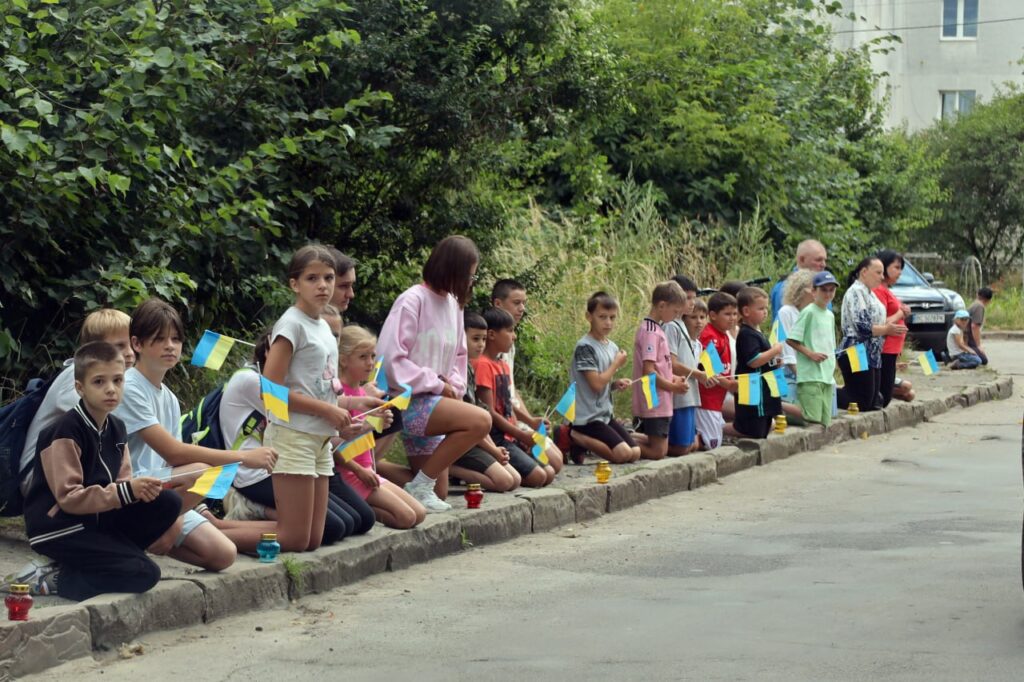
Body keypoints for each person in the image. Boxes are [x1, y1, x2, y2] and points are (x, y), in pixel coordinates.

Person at [115, 299, 277, 570]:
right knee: (204, 471)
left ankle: (152, 533)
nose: (170, 346)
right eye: (159, 339)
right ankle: (132, 537)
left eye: (176, 339)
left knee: (223, 554)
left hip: (162, 492)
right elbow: (174, 453)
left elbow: (173, 462)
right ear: (137, 344)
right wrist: (243, 457)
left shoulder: (168, 397)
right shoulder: (129, 386)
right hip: (132, 488)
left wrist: (180, 513)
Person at [20, 342, 182, 600]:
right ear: (79, 388)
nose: (110, 389)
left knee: (169, 501)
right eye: (99, 382)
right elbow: (69, 498)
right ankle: (57, 579)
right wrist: (126, 491)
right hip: (60, 528)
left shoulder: (117, 428)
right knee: (145, 573)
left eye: (117, 380)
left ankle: (110, 560)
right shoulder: (64, 431)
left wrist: (140, 490)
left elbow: (122, 484)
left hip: (95, 520)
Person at [261, 245, 385, 551]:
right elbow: (270, 389)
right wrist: (326, 411)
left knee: (313, 540)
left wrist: (355, 407)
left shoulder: (324, 329)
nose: (322, 285)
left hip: (320, 440)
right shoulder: (291, 324)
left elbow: (320, 389)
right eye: (312, 278)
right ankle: (212, 533)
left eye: (328, 278)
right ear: (294, 284)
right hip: (293, 435)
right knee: (293, 538)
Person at [219, 329, 380, 543]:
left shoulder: (291, 383)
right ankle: (243, 512)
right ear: (270, 351)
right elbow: (299, 410)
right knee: (329, 528)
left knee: (356, 521)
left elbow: (314, 410)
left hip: (296, 461)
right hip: (256, 473)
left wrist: (358, 409)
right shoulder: (250, 380)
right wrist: (350, 411)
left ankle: (271, 521)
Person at [376, 236, 492, 512]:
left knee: (439, 492)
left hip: (436, 402)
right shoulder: (412, 300)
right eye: (469, 276)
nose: (471, 282)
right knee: (480, 421)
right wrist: (436, 384)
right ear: (452, 270)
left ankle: (373, 469)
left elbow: (459, 356)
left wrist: (454, 385)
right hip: (407, 402)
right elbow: (390, 359)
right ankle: (414, 484)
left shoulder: (453, 305)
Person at [20, 309, 137, 497]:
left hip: (73, 468)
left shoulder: (111, 379)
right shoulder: (76, 378)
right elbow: (94, 435)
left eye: (131, 343)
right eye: (119, 346)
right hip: (39, 476)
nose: (129, 353)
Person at [335, 325, 426, 529]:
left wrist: (379, 422)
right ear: (343, 360)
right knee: (406, 518)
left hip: (367, 470)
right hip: (350, 473)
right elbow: (331, 446)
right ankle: (358, 508)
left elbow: (363, 435)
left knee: (419, 514)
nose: (370, 363)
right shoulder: (339, 394)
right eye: (363, 357)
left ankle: (361, 507)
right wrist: (359, 470)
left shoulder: (362, 392)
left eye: (372, 356)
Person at [472, 307, 555, 486]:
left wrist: (530, 422)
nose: (514, 336)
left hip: (510, 435)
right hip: (496, 437)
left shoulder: (502, 364)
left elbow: (507, 403)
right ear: (492, 335)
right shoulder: (483, 365)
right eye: (510, 331)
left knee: (549, 473)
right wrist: (521, 435)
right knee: (539, 477)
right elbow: (490, 412)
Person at [491, 279, 563, 471]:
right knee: (553, 463)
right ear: (498, 303)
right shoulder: (493, 344)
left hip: (516, 417)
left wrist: (530, 420)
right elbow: (498, 400)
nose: (522, 308)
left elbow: (512, 390)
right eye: (516, 303)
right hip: (504, 422)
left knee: (557, 460)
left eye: (524, 303)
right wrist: (522, 427)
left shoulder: (510, 342)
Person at [450, 312, 521, 492]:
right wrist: (492, 450)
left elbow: (481, 415)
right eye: (475, 339)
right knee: (505, 482)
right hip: (460, 441)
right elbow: (469, 420)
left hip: (477, 439)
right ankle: (448, 467)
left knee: (515, 480)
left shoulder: (469, 368)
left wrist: (493, 448)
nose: (481, 344)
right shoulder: (455, 372)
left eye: (483, 339)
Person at [567, 292, 640, 464]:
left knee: (635, 452)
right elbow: (596, 385)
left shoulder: (611, 346)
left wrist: (615, 384)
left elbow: (604, 382)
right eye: (602, 317)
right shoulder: (585, 347)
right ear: (589, 317)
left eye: (612, 317)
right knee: (623, 454)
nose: (608, 322)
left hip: (605, 415)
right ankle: (573, 435)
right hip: (587, 417)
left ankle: (580, 443)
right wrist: (616, 364)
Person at [838, 257, 905, 413]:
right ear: (864, 272)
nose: (882, 277)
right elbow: (862, 327)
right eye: (878, 273)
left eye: (882, 273)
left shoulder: (871, 294)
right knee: (862, 400)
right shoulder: (856, 292)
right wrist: (887, 330)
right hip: (855, 351)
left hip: (872, 352)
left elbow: (880, 322)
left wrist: (889, 329)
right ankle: (825, 394)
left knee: (877, 400)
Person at [632, 281, 688, 460]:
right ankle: (617, 441)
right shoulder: (650, 332)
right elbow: (649, 372)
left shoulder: (658, 329)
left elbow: (661, 366)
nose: (677, 316)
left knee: (660, 445)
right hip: (654, 399)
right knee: (658, 452)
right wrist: (673, 387)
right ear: (662, 305)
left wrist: (674, 378)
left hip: (663, 399)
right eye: (675, 311)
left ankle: (622, 437)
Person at [786, 272, 839, 426]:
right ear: (813, 291)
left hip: (826, 374)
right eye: (824, 290)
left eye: (831, 290)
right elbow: (791, 340)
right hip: (810, 374)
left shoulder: (830, 315)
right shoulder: (808, 311)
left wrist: (834, 362)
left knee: (825, 420)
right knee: (811, 416)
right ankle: (778, 407)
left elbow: (830, 343)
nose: (828, 294)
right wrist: (811, 354)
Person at [731, 287, 783, 439]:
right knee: (752, 428)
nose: (765, 312)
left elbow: (762, 359)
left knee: (764, 425)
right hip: (752, 387)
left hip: (763, 388)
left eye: (766, 308)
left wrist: (774, 361)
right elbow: (753, 361)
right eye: (761, 308)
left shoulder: (757, 332)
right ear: (746, 311)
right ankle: (719, 432)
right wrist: (774, 350)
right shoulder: (747, 334)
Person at [665, 276, 708, 456]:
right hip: (679, 394)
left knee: (690, 445)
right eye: (687, 298)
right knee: (681, 447)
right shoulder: (671, 326)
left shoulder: (684, 326)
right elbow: (672, 364)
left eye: (694, 298)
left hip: (690, 394)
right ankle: (636, 438)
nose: (692, 302)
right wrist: (698, 374)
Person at [696, 292, 738, 450]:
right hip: (707, 400)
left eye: (734, 314)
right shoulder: (709, 336)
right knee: (710, 444)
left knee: (714, 442)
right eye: (727, 314)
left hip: (717, 400)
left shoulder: (723, 335)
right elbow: (709, 370)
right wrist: (731, 385)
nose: (732, 318)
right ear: (713, 315)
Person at [776, 269, 815, 424]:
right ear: (803, 290)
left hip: (808, 372)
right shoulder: (786, 312)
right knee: (807, 416)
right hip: (789, 374)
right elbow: (788, 352)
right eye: (814, 288)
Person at [874, 250, 910, 407]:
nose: (899, 272)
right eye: (896, 267)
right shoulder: (878, 290)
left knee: (885, 394)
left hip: (892, 350)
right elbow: (881, 321)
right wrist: (901, 313)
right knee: (884, 395)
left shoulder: (887, 290)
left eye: (901, 268)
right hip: (885, 348)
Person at [771, 239, 828, 321]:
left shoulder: (824, 286)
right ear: (802, 260)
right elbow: (783, 322)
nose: (824, 264)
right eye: (818, 260)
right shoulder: (786, 287)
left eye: (825, 260)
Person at [967, 287, 993, 365]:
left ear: (977, 295)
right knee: (983, 360)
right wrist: (978, 346)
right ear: (989, 300)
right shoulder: (979, 306)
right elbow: (974, 326)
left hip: (965, 337)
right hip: (967, 338)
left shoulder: (975, 304)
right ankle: (958, 359)